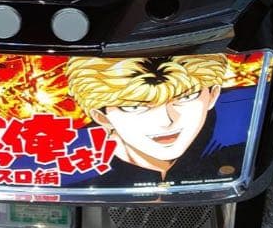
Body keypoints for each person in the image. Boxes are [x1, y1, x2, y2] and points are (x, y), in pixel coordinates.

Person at [66, 54, 243, 184]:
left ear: (213, 95)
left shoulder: (241, 139)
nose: (166, 121)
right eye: (134, 107)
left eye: (186, 97)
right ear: (102, 117)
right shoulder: (71, 170)